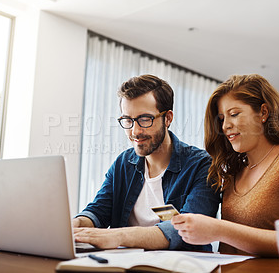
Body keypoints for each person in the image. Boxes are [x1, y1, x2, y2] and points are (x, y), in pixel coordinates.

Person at [171, 74, 279, 257]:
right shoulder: (236, 168)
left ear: (263, 112)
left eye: (234, 114)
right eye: (221, 119)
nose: (225, 126)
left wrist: (219, 229)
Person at [73, 74, 220, 251]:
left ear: (168, 118)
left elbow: (186, 230)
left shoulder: (202, 166)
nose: (135, 131)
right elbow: (98, 211)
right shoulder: (123, 163)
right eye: (128, 120)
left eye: (144, 119)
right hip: (125, 264)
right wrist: (75, 225)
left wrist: (118, 236)